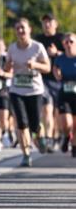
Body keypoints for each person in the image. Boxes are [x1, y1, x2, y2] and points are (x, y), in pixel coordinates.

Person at [3, 18, 51, 167]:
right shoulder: (12, 48)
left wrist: (35, 64)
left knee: (35, 124)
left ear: (29, 29)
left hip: (35, 90)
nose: (20, 31)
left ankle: (40, 137)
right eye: (18, 28)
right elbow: (6, 69)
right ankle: (26, 154)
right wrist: (8, 65)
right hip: (17, 90)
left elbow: (47, 67)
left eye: (23, 28)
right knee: (22, 124)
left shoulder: (38, 47)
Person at [35, 13, 65, 150]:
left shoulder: (62, 38)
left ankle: (59, 136)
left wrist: (57, 53)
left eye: (50, 22)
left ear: (56, 24)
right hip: (42, 80)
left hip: (60, 80)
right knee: (47, 109)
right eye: (44, 22)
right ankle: (48, 138)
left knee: (57, 113)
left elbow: (72, 55)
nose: (47, 24)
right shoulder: (38, 40)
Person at [53, 32, 76, 156]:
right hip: (65, 93)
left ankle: (74, 145)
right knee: (67, 123)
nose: (68, 44)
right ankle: (66, 136)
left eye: (71, 41)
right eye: (66, 42)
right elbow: (55, 67)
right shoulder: (61, 58)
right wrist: (57, 74)